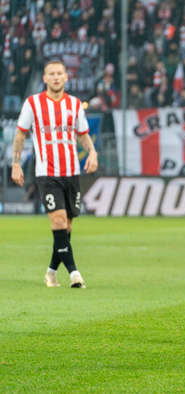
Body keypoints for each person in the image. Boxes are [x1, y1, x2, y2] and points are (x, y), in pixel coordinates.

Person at [11, 60, 98, 289]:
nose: (56, 77)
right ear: (45, 78)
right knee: (58, 220)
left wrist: (93, 153)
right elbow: (20, 135)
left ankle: (51, 272)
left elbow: (83, 134)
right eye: (52, 73)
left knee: (66, 227)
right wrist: (16, 164)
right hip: (47, 174)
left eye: (60, 73)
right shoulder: (33, 104)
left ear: (66, 77)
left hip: (72, 172)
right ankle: (74, 274)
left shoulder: (75, 104)